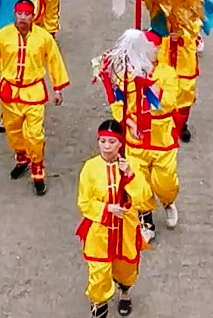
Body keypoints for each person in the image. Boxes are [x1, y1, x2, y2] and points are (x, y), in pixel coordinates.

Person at [0, 0, 69, 195]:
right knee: (13, 130)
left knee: (35, 134)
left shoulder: (44, 37)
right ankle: (22, 157)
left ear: (33, 16)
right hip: (10, 92)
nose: (23, 18)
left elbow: (54, 61)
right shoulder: (2, 36)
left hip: (34, 91)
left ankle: (37, 166)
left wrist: (58, 88)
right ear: (14, 14)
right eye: (20, 13)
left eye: (27, 14)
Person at [76, 119, 153, 318]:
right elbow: (84, 202)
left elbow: (144, 197)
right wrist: (106, 208)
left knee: (126, 269)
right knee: (99, 273)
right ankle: (99, 305)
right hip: (100, 229)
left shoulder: (132, 163)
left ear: (120, 143)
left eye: (111, 142)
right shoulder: (90, 167)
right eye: (103, 141)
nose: (107, 146)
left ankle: (125, 292)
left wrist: (129, 175)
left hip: (126, 227)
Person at [111, 32, 184, 239]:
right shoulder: (127, 75)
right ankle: (146, 219)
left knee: (166, 182)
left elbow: (168, 103)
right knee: (137, 183)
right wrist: (130, 123)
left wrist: (148, 81)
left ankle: (168, 201)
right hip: (136, 141)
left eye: (153, 49)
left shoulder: (168, 73)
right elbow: (118, 105)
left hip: (162, 140)